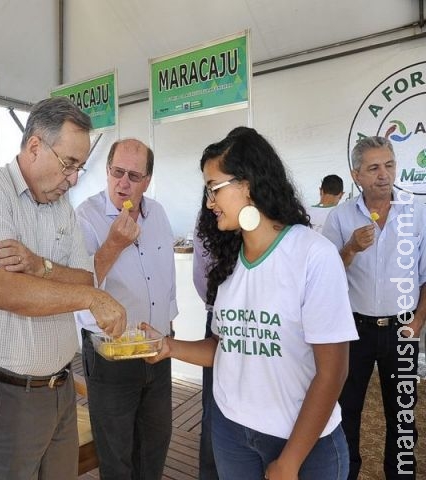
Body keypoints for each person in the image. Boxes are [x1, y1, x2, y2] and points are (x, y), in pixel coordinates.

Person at [144, 126, 358, 480]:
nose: (210, 203)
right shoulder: (229, 260)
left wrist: (290, 460)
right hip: (232, 433)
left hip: (303, 442)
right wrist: (167, 346)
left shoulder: (312, 255)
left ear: (247, 184)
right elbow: (226, 348)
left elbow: (333, 371)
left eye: (214, 189)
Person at [0, 96, 127, 480]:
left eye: (80, 167)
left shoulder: (62, 205)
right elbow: (6, 291)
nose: (73, 178)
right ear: (34, 146)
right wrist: (88, 297)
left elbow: (84, 276)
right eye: (69, 164)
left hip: (61, 388)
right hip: (6, 393)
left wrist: (39, 265)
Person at [323, 136, 426, 480]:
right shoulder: (340, 218)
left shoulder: (417, 212)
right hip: (354, 330)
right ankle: (346, 474)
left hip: (402, 329)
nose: (384, 175)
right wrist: (351, 248)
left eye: (389, 165)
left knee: (402, 416)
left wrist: (419, 321)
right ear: (357, 175)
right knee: (346, 411)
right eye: (374, 168)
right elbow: (324, 279)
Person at [75, 138, 177, 480]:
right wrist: (114, 244)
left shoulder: (158, 213)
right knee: (116, 455)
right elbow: (78, 289)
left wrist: (169, 325)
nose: (124, 183)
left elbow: (165, 279)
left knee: (155, 446)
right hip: (111, 357)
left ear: (147, 180)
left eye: (134, 175)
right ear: (106, 171)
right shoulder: (85, 217)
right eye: (117, 172)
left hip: (158, 349)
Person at [192, 206, 219, 480]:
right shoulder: (208, 216)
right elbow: (203, 281)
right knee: (213, 410)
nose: (213, 201)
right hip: (218, 314)